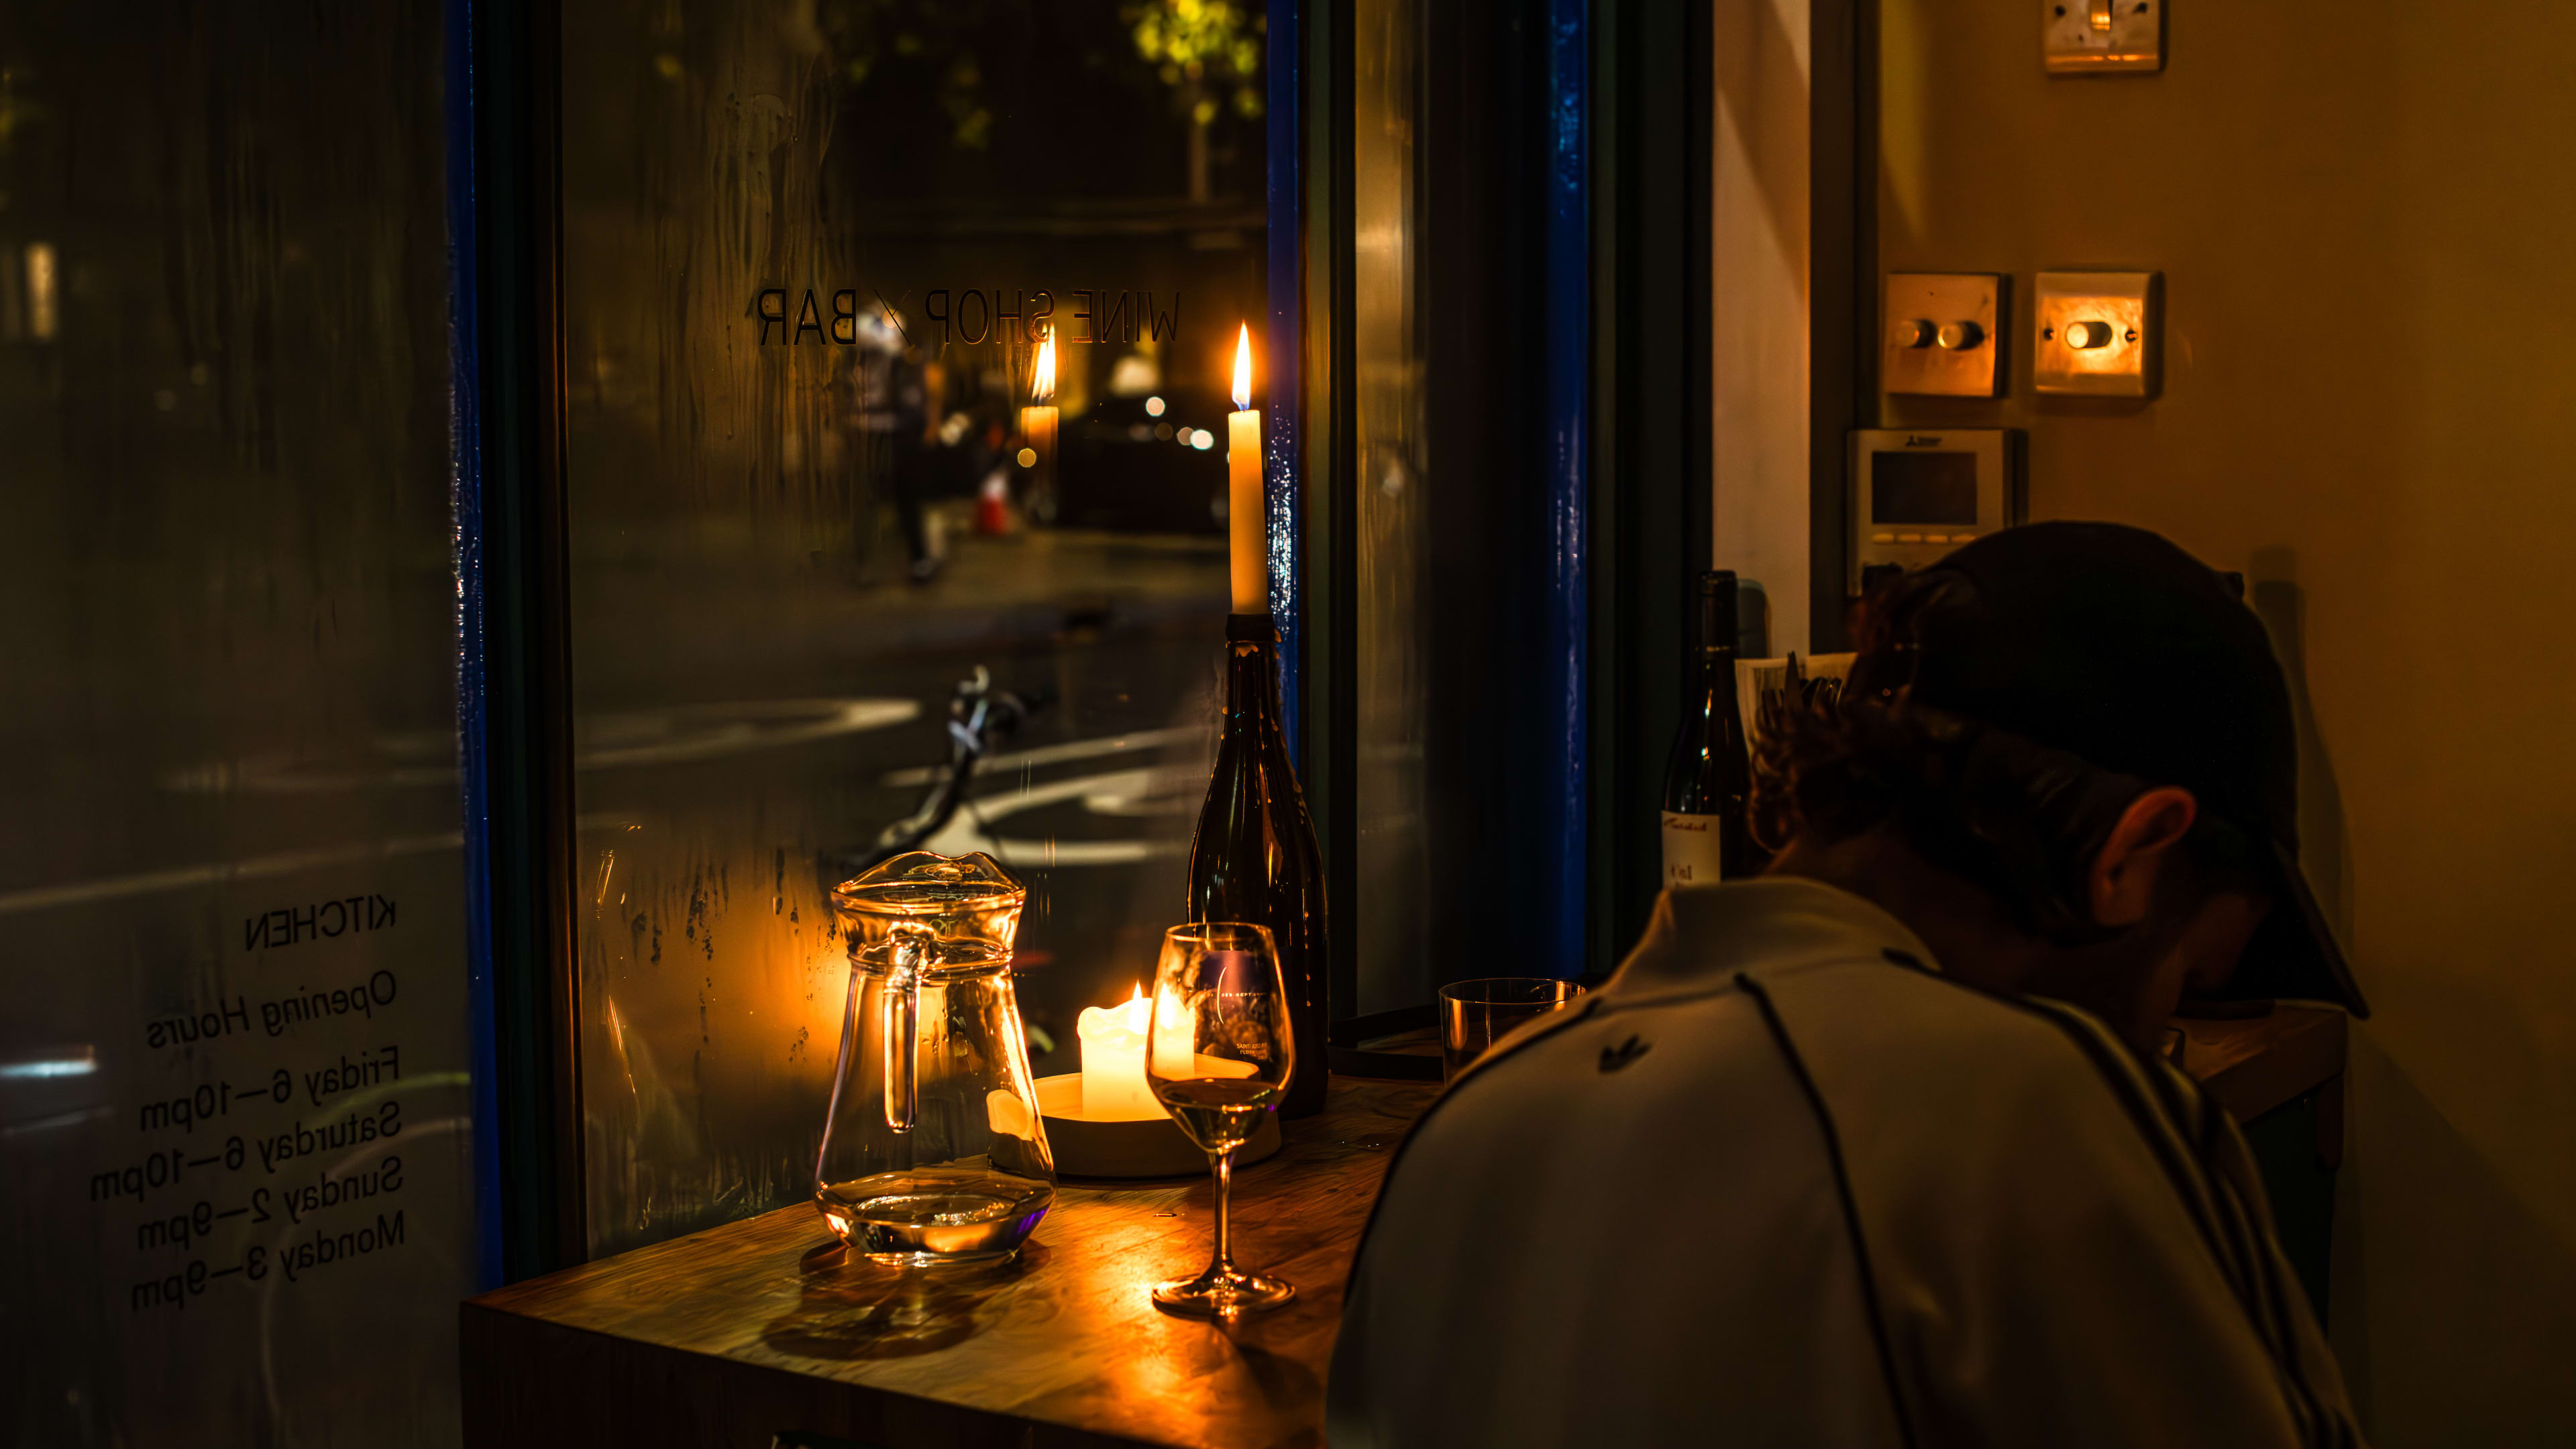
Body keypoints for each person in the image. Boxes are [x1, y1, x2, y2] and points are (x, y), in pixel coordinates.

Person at [1329, 523, 2371, 1448]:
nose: (2161, 1032)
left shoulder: (1465, 1127)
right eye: (2189, 977)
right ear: (2132, 856)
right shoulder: (2057, 1112)